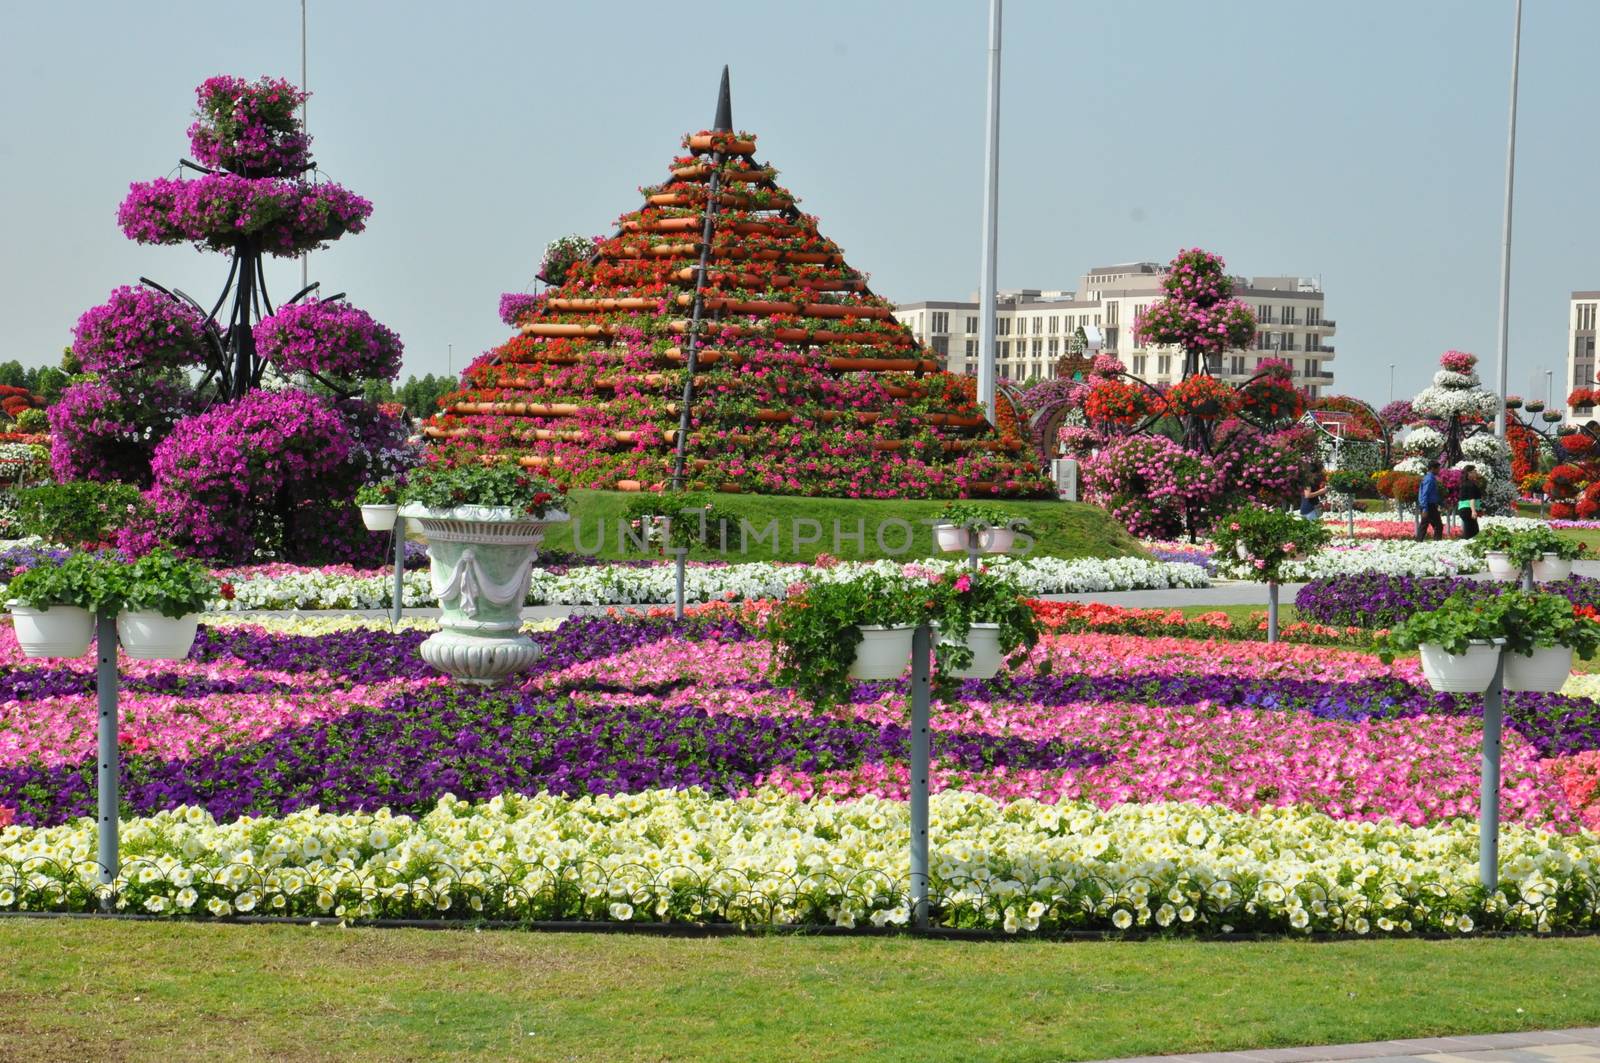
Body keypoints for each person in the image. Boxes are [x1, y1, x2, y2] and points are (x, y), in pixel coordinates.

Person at [1416, 460, 1444, 541]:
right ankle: (1436, 542)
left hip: (1430, 505)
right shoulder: (1429, 479)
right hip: (1429, 505)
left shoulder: (1431, 478)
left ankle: (1419, 541)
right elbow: (1424, 494)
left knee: (1425, 525)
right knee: (1437, 526)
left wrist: (1441, 503)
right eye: (1438, 469)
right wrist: (1425, 508)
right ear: (1432, 468)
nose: (1439, 470)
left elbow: (1433, 494)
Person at [1458, 464, 1484, 539]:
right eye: (1474, 471)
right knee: (1472, 533)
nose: (1476, 473)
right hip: (1468, 509)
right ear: (1469, 473)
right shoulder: (1470, 484)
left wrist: (1478, 509)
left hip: (1465, 509)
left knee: (1473, 530)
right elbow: (1471, 498)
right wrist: (1473, 511)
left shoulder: (1466, 483)